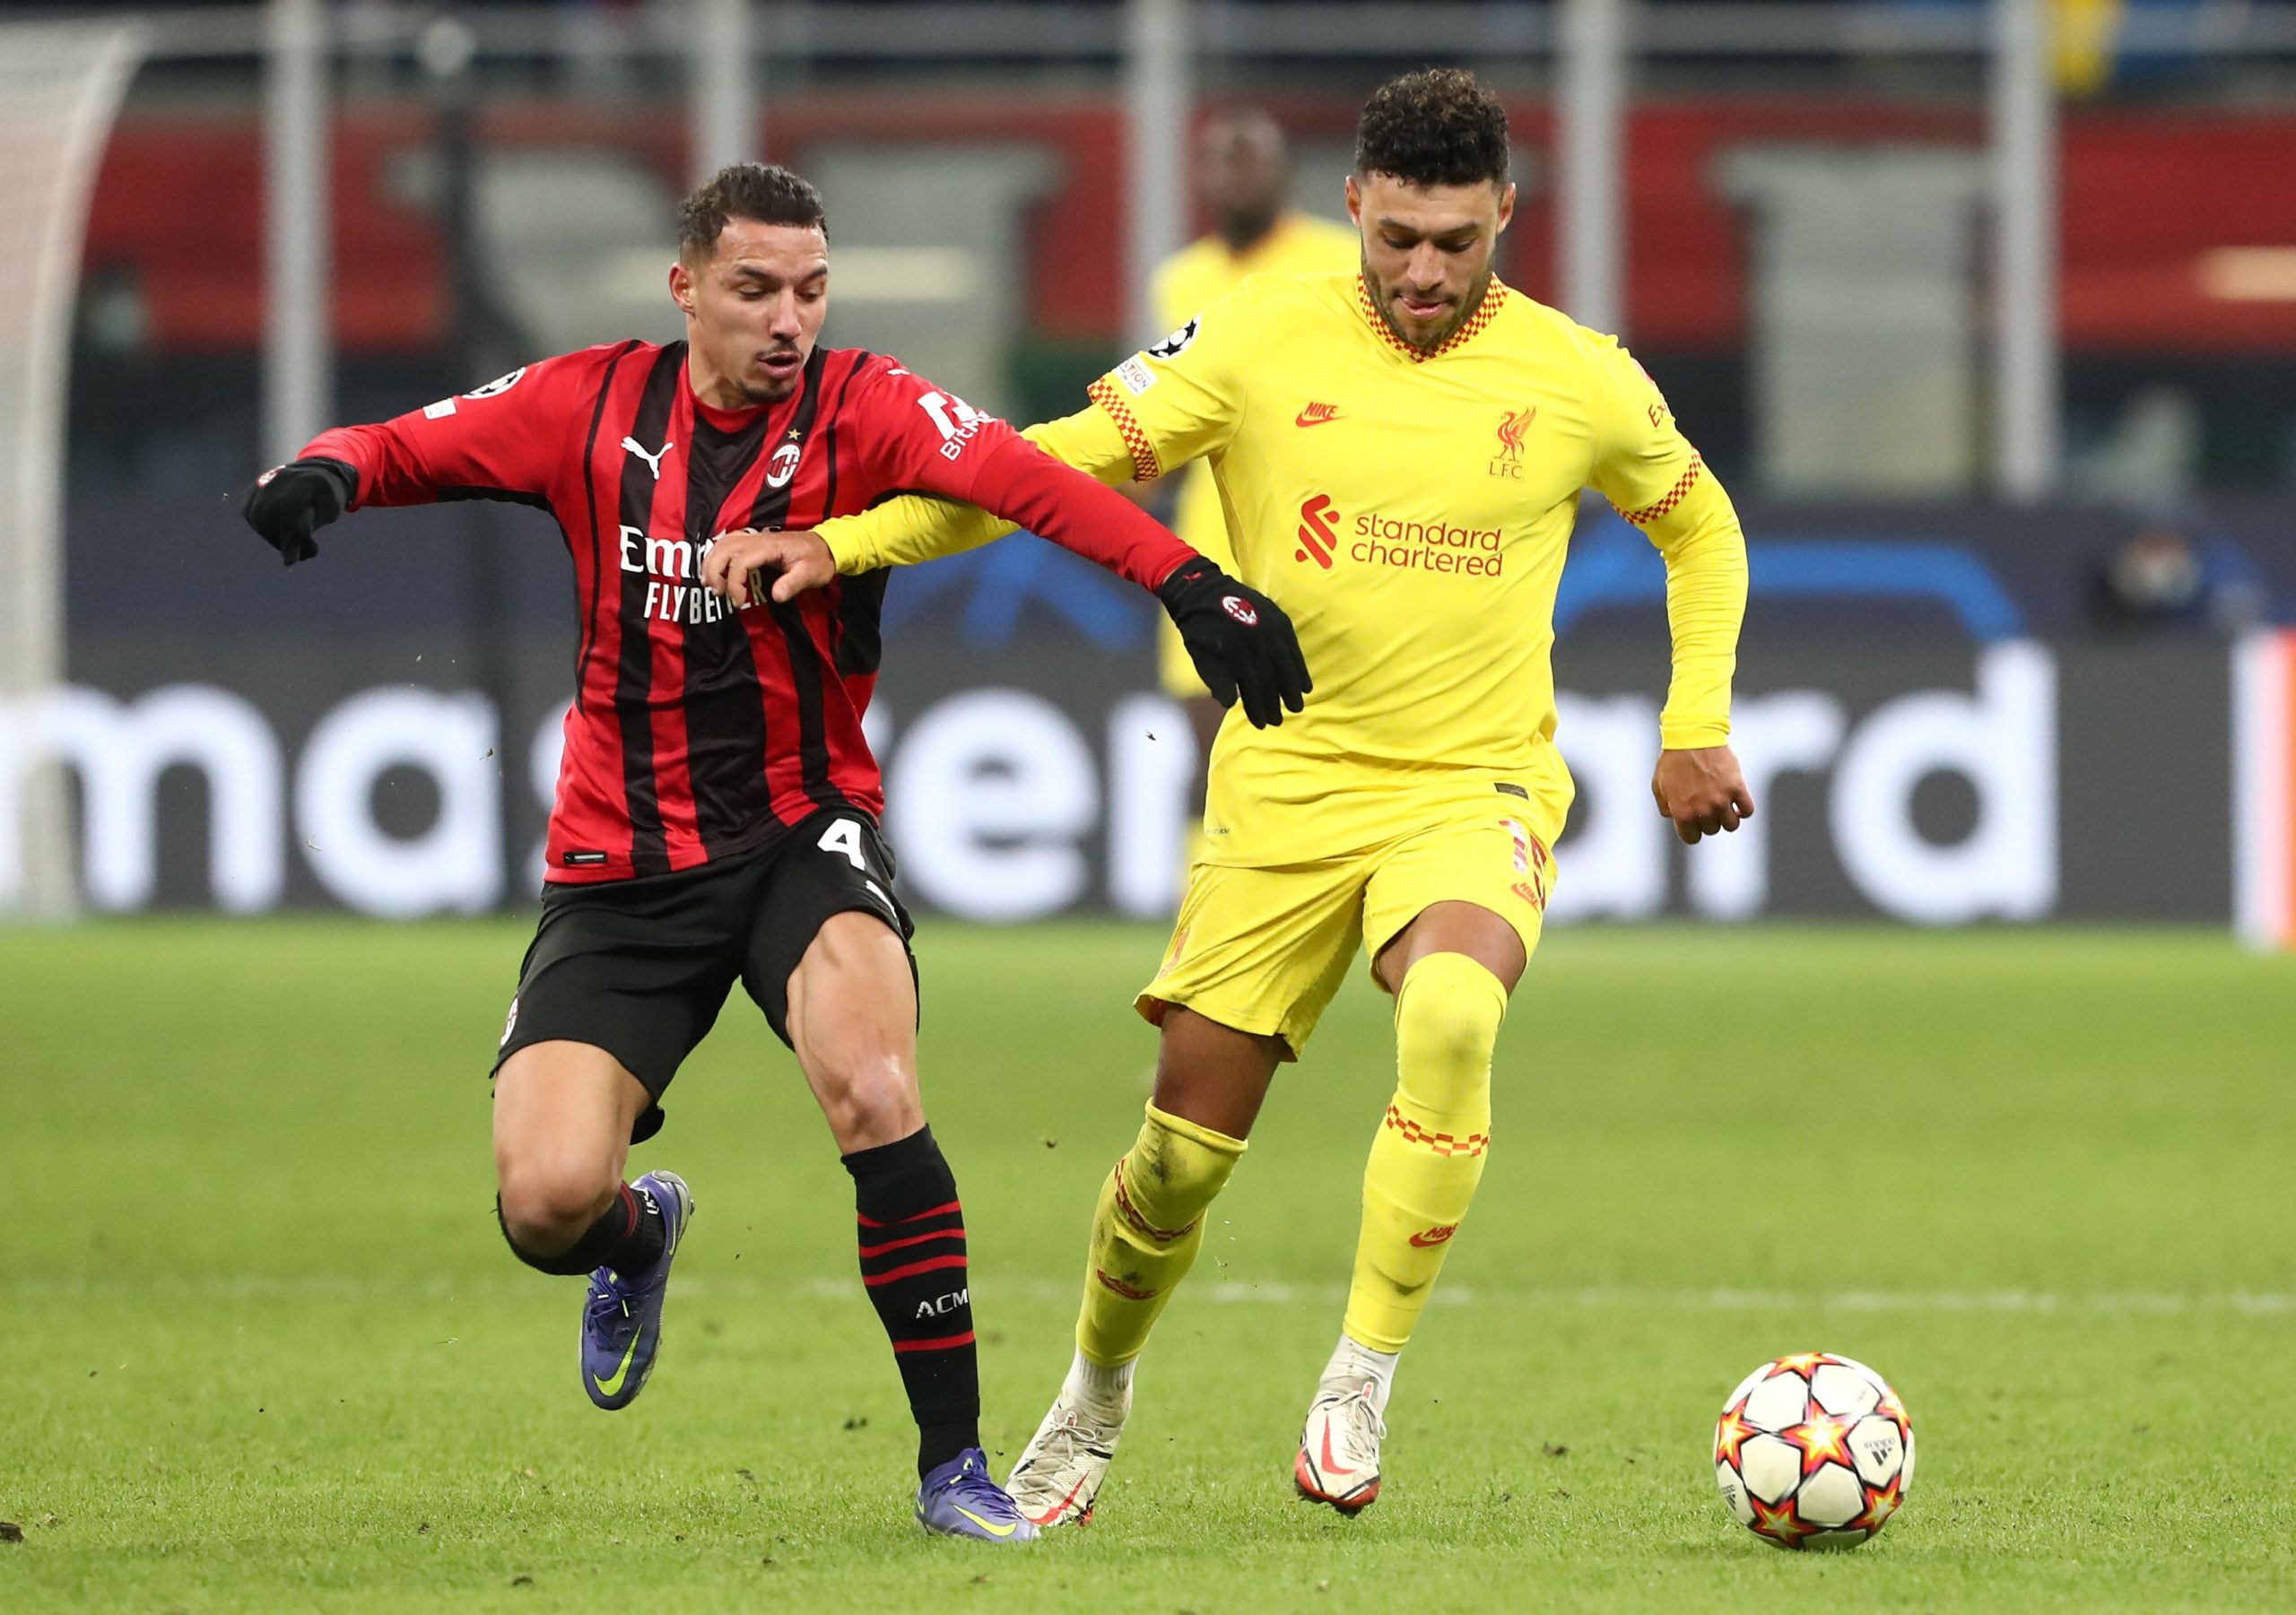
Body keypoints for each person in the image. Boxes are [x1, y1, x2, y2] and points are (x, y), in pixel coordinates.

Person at [709, 68, 1754, 1524]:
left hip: (1473, 783)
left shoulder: (1580, 375)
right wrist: (851, 539)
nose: (1425, 273)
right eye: (1397, 238)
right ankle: (1095, 1388)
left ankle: (1360, 1377)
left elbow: (1700, 526)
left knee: (1454, 1016)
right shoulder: (1261, 340)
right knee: (1177, 1165)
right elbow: (1036, 468)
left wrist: (1694, 717)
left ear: (1507, 214)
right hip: (1284, 793)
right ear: (1353, 208)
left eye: (1458, 241)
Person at [238, 161, 1306, 1543]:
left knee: (872, 1080)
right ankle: (643, 1230)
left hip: (805, 828)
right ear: (686, 288)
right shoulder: (587, 404)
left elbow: (1028, 479)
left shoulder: (867, 404)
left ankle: (953, 1473)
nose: (787, 317)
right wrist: (322, 471)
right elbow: (403, 444)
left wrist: (1186, 578)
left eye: (809, 288)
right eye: (753, 289)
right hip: (620, 863)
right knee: (547, 1201)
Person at [1150, 110, 1360, 777]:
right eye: (1224, 160)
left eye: (1253, 160)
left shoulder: (1336, 260)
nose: (1238, 175)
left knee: (1316, 763)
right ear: (1200, 177)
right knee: (1217, 763)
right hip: (1204, 545)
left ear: (1284, 174)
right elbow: (1170, 417)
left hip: (1317, 542)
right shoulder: (1179, 278)